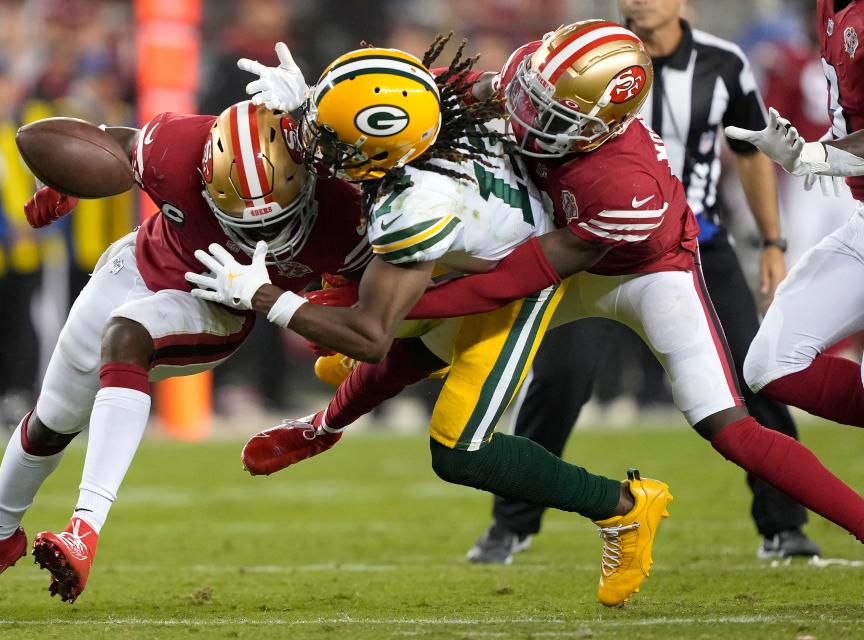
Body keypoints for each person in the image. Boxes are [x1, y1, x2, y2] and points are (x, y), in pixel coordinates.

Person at [225, 21, 864, 563]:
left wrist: (390, 312)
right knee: (427, 344)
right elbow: (419, 105)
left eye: (546, 114)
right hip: (557, 246)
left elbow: (513, 279)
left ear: (599, 124)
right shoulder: (535, 80)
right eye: (527, 96)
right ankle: (325, 425)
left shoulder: (622, 187)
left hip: (646, 273)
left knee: (727, 425)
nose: (523, 116)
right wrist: (315, 105)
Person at [202, 37, 680, 609]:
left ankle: (625, 509)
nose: (313, 144)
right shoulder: (430, 113)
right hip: (490, 240)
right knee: (374, 315)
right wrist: (308, 102)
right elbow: (394, 98)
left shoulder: (416, 202)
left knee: (457, 448)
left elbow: (371, 336)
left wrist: (265, 297)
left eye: (328, 138)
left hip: (514, 285)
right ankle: (322, 426)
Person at [0, 100, 371, 620]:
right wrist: (71, 180)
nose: (258, 237)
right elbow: (113, 145)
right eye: (239, 221)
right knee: (51, 421)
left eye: (274, 221)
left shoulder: (344, 212)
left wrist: (331, 302)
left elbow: (367, 307)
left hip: (219, 306)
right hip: (140, 263)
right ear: (207, 179)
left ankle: (84, 530)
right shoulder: (177, 148)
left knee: (127, 334)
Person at [467, 0, 820, 565]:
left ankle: (785, 525)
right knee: (560, 380)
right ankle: (510, 526)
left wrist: (772, 243)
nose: (638, 1)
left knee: (754, 376)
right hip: (589, 246)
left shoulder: (723, 62)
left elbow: (748, 150)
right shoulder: (585, 55)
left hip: (694, 245)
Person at [725, 0, 864, 433]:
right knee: (771, 362)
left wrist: (816, 156)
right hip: (860, 214)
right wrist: (827, 150)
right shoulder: (828, 8)